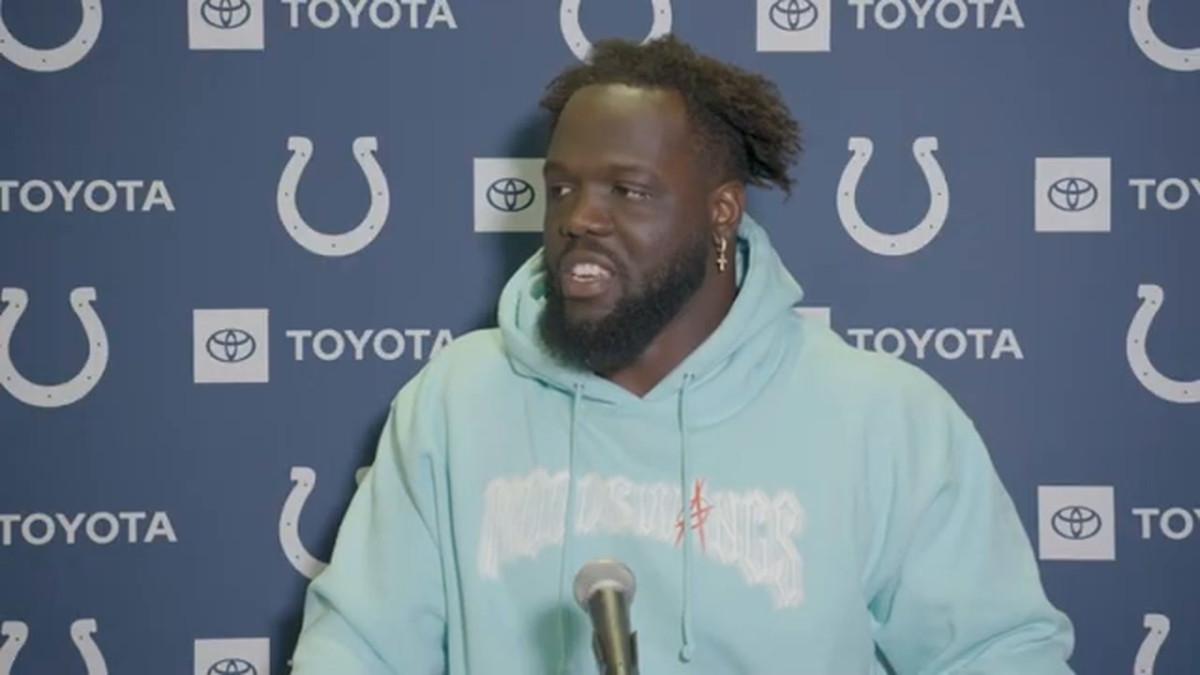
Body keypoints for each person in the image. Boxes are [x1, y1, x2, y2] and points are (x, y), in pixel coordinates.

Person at [289, 35, 1075, 674]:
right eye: (561, 190)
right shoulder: (456, 399)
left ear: (722, 210)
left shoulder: (885, 414)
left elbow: (997, 655)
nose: (579, 219)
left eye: (627, 191)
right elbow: (356, 649)